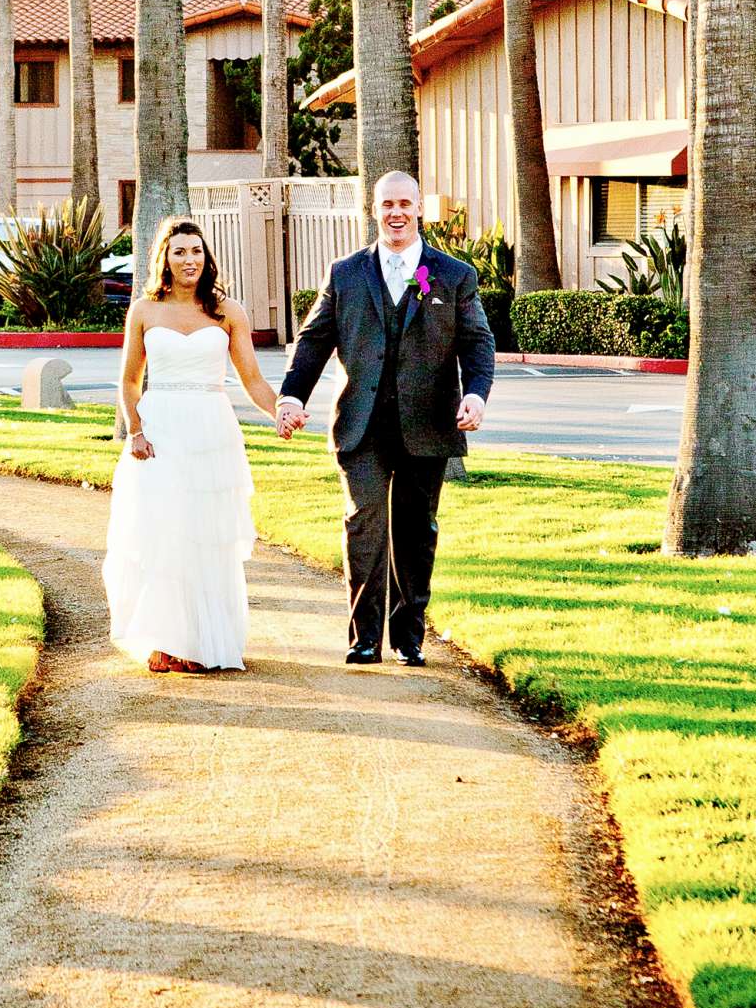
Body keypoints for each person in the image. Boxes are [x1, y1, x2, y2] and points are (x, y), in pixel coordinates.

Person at [276, 172, 495, 666]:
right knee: (364, 524)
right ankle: (365, 637)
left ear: (419, 208)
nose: (396, 213)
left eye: (405, 204)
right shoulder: (346, 273)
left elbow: (477, 342)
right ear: (375, 210)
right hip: (362, 424)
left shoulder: (454, 275)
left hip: (429, 425)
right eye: (386, 205)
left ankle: (408, 636)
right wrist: (291, 397)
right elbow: (313, 342)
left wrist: (477, 395)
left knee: (417, 531)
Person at [104, 215, 280, 675]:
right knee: (164, 532)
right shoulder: (144, 310)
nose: (189, 260)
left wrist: (280, 411)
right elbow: (128, 380)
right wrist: (136, 430)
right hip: (160, 432)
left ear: (207, 257)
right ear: (164, 257)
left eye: (196, 251)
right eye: (179, 251)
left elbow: (254, 381)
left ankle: (203, 641)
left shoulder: (227, 312)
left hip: (210, 428)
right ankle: (164, 639)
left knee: (204, 535)